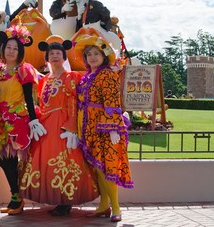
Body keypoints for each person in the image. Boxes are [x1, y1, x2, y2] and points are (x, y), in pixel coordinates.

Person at [19, 35, 99, 216]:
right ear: (46, 58)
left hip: (62, 125)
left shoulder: (72, 77)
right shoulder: (44, 79)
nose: (54, 56)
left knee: (65, 158)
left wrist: (72, 126)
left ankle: (65, 200)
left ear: (64, 57)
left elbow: (76, 102)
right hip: (46, 124)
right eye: (51, 53)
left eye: (58, 53)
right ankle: (55, 198)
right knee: (47, 159)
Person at [75, 35, 134, 222]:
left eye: (96, 53)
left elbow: (112, 102)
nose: (92, 57)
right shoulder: (87, 76)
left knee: (108, 167)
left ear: (103, 56)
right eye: (89, 54)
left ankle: (116, 207)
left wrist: (113, 128)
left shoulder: (107, 74)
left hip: (105, 127)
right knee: (98, 168)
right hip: (89, 126)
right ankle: (104, 205)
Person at [0, 24, 46, 215]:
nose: (11, 51)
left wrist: (33, 120)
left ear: (20, 51)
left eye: (15, 48)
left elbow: (29, 97)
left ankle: (17, 199)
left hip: (17, 121)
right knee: (5, 161)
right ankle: (17, 198)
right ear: (3, 50)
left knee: (8, 161)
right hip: (0, 120)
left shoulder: (24, 70)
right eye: (8, 48)